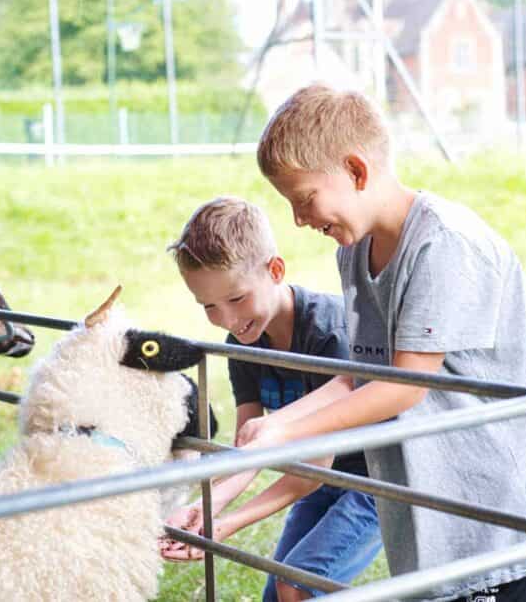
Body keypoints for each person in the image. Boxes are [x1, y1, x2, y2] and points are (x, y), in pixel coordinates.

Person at [239, 83, 526, 602]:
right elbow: (360, 376)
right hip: (427, 516)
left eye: (304, 200)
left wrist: (293, 435)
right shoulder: (353, 249)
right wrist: (273, 424)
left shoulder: (442, 243)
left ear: (356, 171)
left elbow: (404, 387)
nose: (299, 220)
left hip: (498, 524)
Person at [158, 196, 383, 602]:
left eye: (237, 298)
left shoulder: (328, 334)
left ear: (275, 270)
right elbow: (250, 445)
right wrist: (207, 508)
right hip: (321, 479)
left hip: (371, 482)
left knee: (295, 586)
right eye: (208, 305)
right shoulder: (244, 343)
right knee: (278, 595)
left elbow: (314, 466)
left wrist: (227, 525)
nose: (227, 319)